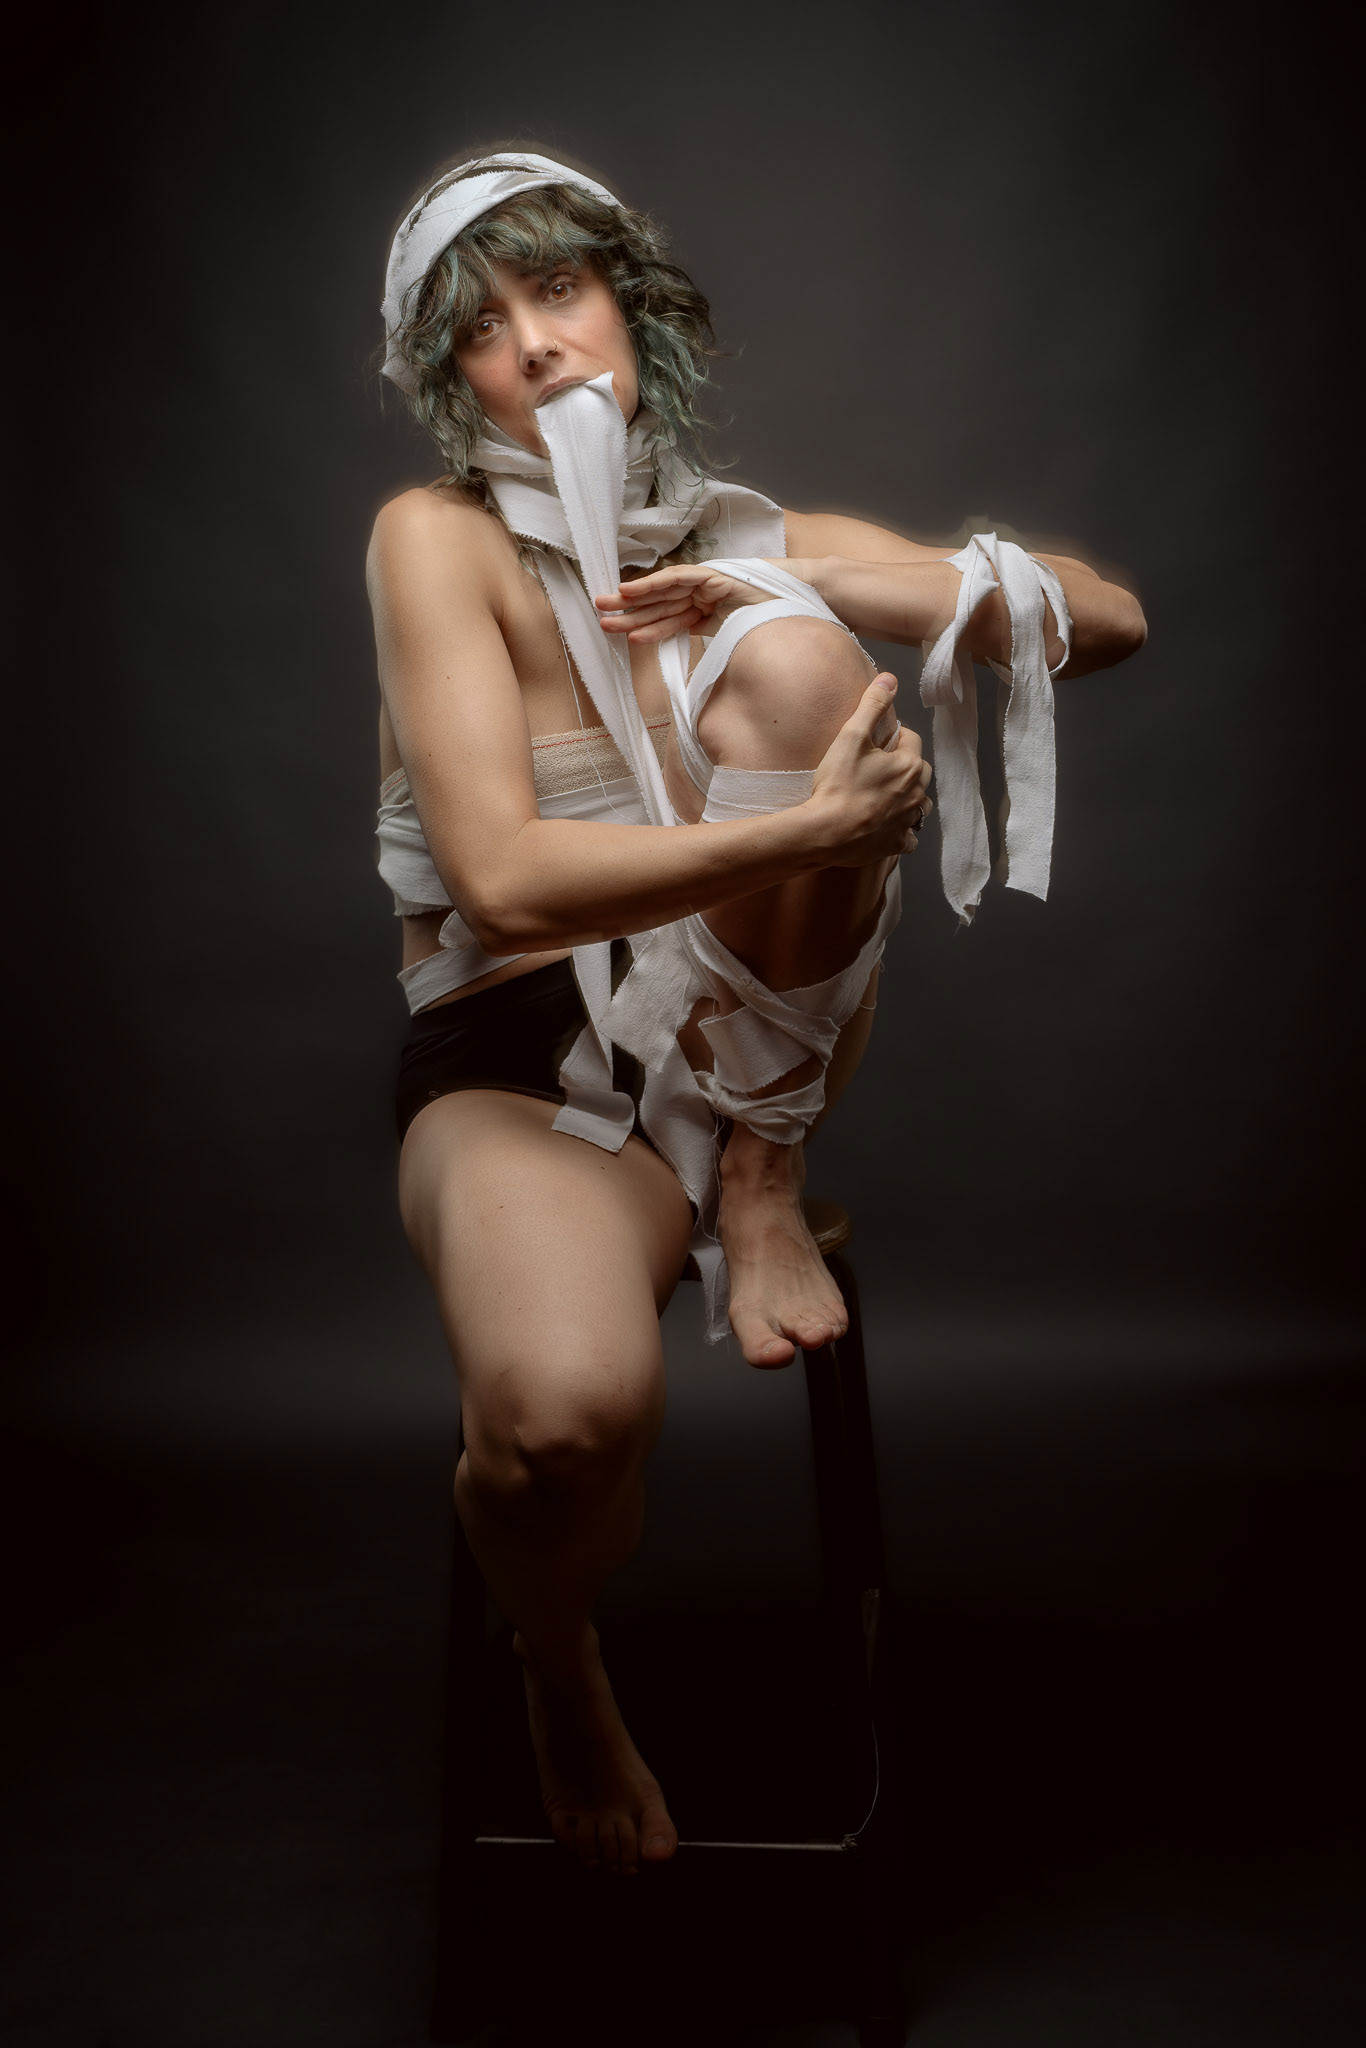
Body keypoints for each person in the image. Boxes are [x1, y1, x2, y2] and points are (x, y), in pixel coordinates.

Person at [369, 148, 1146, 1880]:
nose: (536, 345)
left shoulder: (751, 536)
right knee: (559, 1423)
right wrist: (807, 833)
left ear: (625, 308)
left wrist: (818, 584)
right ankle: (557, 1657)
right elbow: (502, 882)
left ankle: (760, 1173)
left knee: (796, 653)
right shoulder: (436, 541)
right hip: (523, 1069)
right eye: (483, 329)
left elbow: (1107, 618)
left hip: (732, 1070)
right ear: (453, 380)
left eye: (558, 291)